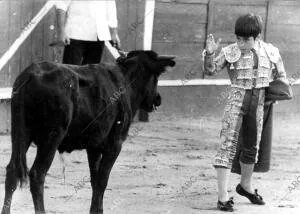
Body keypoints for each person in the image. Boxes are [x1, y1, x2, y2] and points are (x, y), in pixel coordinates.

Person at [203, 13, 289, 211]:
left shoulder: (271, 51)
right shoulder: (229, 51)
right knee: (227, 145)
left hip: (259, 102)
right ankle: (223, 197)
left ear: (257, 37)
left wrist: (273, 95)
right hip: (236, 99)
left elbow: (281, 76)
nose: (241, 43)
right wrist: (209, 54)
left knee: (252, 146)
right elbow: (210, 70)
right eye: (238, 38)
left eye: (246, 39)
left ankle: (246, 186)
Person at [55, 0, 121, 65]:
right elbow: (61, 4)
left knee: (92, 74)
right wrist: (61, 32)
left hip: (99, 35)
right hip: (75, 34)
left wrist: (114, 33)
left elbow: (111, 7)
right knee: (71, 72)